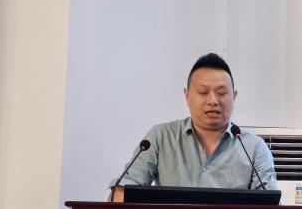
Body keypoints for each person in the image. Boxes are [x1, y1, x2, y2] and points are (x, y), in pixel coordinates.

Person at [109, 53, 277, 192]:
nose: (213, 101)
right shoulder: (161, 137)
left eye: (221, 93)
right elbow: (124, 188)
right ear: (187, 95)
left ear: (234, 96)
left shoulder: (254, 148)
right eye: (203, 92)